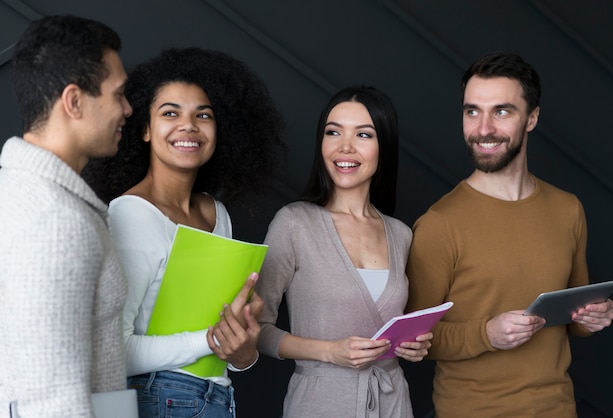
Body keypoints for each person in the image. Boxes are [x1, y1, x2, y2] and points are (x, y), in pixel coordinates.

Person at [405, 52, 613, 418]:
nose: (483, 128)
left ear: (531, 118)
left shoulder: (568, 210)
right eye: (472, 111)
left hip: (557, 409)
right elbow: (414, 340)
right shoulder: (439, 224)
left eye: (501, 111)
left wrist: (592, 317)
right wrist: (487, 333)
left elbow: (575, 315)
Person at [82, 47, 284, 418]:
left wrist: (242, 351)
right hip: (158, 398)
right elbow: (111, 351)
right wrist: (208, 339)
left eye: (202, 115)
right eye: (170, 113)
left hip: (218, 398)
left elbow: (230, 353)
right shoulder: (132, 216)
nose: (188, 125)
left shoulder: (216, 213)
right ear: (143, 129)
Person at [256, 86, 433, 418]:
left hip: (393, 401)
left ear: (385, 147)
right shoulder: (294, 223)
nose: (344, 147)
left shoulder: (401, 234)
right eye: (333, 132)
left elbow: (398, 325)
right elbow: (256, 331)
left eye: (363, 134)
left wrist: (415, 345)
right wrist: (329, 351)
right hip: (320, 403)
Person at [0, 15, 133, 417]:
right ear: (74, 101)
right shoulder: (54, 221)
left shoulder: (27, 193)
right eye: (119, 94)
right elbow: (50, 398)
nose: (128, 109)